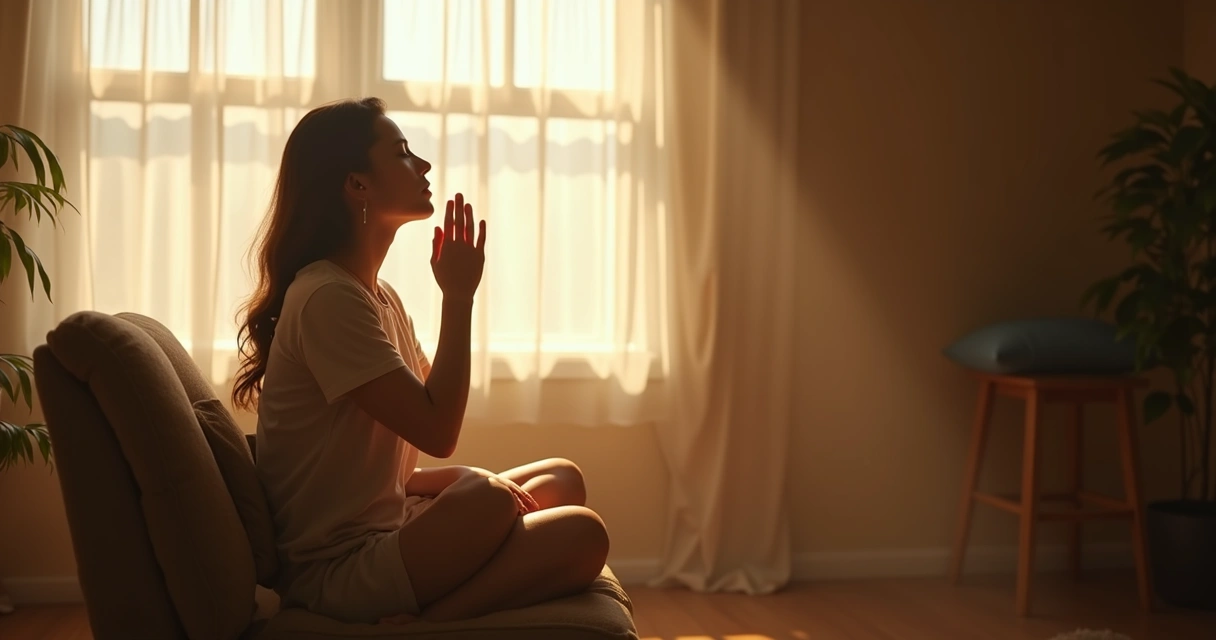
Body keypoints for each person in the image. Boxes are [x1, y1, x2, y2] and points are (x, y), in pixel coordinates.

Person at [231, 97, 610, 625]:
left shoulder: (378, 295)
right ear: (356, 184)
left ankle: (446, 587)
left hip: (390, 524)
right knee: (574, 530)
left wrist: (459, 479)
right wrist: (458, 298)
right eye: (404, 153)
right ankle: (427, 625)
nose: (424, 165)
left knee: (561, 479)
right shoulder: (326, 297)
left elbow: (403, 447)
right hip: (338, 569)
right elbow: (438, 429)